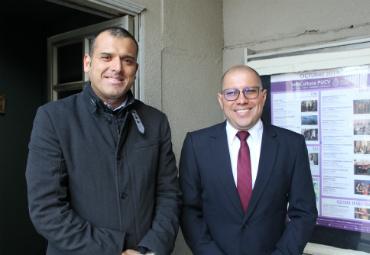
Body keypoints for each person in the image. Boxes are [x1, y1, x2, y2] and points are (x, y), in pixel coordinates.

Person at [26, 27, 181, 255]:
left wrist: (152, 249)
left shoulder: (156, 120)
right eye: (106, 57)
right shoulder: (53, 118)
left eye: (127, 60)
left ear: (135, 70)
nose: (117, 68)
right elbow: (47, 209)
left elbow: (168, 194)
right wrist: (113, 250)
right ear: (88, 63)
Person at [179, 65, 317, 255]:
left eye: (250, 91)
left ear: (263, 96)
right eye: (231, 93)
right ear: (221, 100)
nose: (241, 100)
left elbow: (304, 213)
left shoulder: (292, 145)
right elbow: (189, 210)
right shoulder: (197, 145)